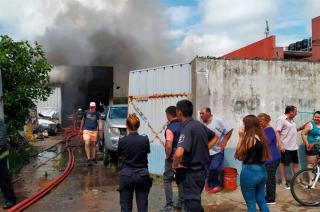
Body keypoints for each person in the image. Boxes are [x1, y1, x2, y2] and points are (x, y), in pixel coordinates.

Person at [173, 100, 218, 212]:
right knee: (193, 202)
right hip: (201, 172)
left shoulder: (187, 128)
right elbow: (215, 137)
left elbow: (178, 153)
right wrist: (204, 148)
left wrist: (175, 164)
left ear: (179, 112)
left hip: (192, 173)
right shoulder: (199, 125)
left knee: (192, 205)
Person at [235, 115, 270, 212]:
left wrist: (241, 137)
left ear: (247, 125)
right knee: (261, 200)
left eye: (244, 124)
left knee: (251, 203)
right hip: (262, 171)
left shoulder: (250, 138)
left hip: (250, 173)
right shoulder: (261, 137)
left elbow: (238, 154)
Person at [118, 113, 152, 212]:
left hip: (126, 176)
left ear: (127, 126)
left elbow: (119, 155)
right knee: (142, 207)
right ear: (138, 125)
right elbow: (147, 152)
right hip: (142, 175)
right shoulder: (144, 139)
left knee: (125, 207)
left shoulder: (122, 140)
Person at [199, 107, 231, 193]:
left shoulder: (217, 121)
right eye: (200, 114)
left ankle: (217, 185)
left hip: (217, 151)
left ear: (209, 113)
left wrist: (225, 142)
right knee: (208, 169)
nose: (201, 115)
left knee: (215, 168)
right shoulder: (203, 123)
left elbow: (229, 131)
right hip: (207, 151)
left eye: (202, 113)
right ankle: (209, 184)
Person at [161, 106, 184, 211]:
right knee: (180, 180)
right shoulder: (184, 125)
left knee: (167, 179)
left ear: (169, 115)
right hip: (183, 157)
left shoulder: (170, 128)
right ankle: (181, 203)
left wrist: (167, 155)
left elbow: (169, 145)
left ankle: (169, 204)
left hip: (172, 158)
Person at [275, 105, 304, 189]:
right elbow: (277, 132)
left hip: (293, 147)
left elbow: (291, 131)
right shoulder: (281, 119)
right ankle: (283, 182)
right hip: (285, 146)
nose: (296, 113)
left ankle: (297, 181)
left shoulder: (292, 120)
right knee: (283, 164)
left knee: (295, 164)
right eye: (295, 111)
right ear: (291, 111)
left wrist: (300, 128)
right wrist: (280, 145)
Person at [257, 113, 281, 205]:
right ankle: (268, 196)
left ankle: (271, 199)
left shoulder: (269, 130)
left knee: (270, 179)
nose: (259, 122)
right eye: (258, 121)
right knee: (268, 179)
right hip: (269, 159)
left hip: (272, 159)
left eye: (261, 121)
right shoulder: (264, 130)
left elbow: (265, 142)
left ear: (266, 121)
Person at [80, 102, 103, 166]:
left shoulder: (97, 113)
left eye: (93, 107)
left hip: (94, 131)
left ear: (95, 107)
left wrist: (100, 128)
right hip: (86, 130)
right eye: (91, 107)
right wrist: (81, 129)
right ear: (89, 106)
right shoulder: (86, 112)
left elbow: (100, 121)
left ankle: (93, 158)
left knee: (94, 145)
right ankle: (88, 159)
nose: (92, 108)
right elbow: (83, 120)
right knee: (87, 143)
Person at [0, 119, 16, 209]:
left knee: (3, 178)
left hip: (1, 154)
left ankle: (10, 199)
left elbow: (1, 138)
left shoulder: (0, 124)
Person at [301, 111, 320, 184]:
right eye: (315, 117)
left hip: (319, 146)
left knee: (316, 163)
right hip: (312, 147)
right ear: (313, 117)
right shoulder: (310, 124)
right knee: (311, 164)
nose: (316, 118)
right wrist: (307, 144)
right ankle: (310, 180)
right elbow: (303, 133)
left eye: (318, 117)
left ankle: (315, 177)